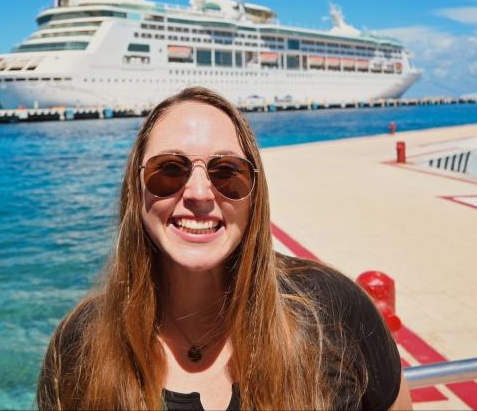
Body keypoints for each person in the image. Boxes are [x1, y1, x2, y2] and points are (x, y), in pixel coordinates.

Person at [37, 86, 411, 410]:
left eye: (227, 172)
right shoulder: (79, 342)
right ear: (136, 191)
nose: (199, 194)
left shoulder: (331, 308)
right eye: (168, 169)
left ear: (254, 196)